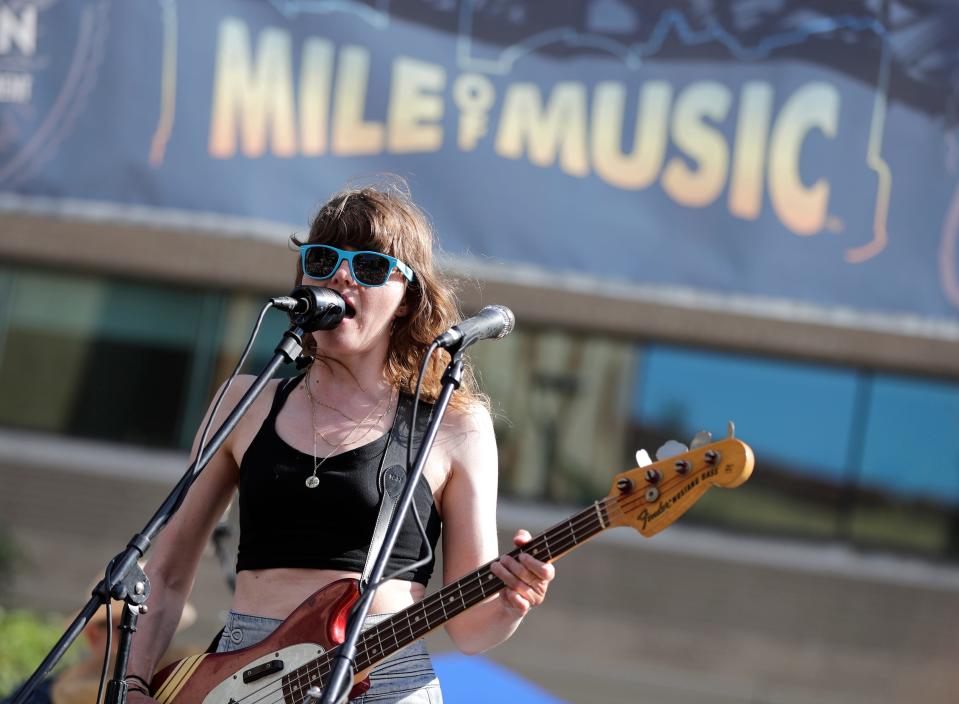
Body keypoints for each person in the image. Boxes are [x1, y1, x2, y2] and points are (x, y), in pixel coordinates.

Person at [124, 179, 556, 704]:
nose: (343, 276)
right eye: (323, 259)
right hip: (241, 678)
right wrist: (133, 684)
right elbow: (166, 572)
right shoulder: (246, 399)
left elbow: (470, 631)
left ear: (405, 299)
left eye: (370, 266)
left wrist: (512, 601)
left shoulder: (452, 423)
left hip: (381, 680)